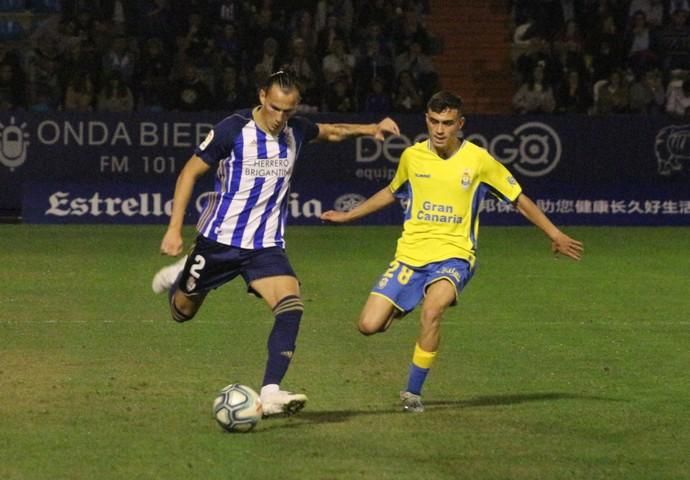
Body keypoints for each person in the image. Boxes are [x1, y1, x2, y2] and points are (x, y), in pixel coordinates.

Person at [152, 69, 400, 417]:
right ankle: (182, 274)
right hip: (218, 242)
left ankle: (269, 393)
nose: (281, 118)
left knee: (291, 306)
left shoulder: (294, 130)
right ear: (262, 97)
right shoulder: (232, 129)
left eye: (289, 111)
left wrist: (371, 128)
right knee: (182, 313)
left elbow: (330, 132)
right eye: (275, 108)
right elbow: (189, 173)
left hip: (265, 245)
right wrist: (174, 229)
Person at [320, 91, 583, 413]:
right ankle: (406, 303)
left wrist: (554, 233)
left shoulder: (479, 160)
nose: (440, 129)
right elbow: (391, 192)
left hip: (455, 256)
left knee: (433, 310)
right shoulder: (413, 157)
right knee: (368, 326)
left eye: (447, 123)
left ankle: (412, 393)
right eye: (434, 121)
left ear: (460, 124)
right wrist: (348, 215)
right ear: (427, 121)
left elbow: (518, 198)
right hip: (410, 256)